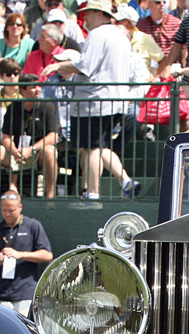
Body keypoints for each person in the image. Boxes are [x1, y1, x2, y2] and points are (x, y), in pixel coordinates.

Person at [43, 0, 140, 200]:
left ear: (98, 14)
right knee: (99, 145)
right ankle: (125, 181)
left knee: (92, 147)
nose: (84, 17)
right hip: (113, 101)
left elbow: (86, 66)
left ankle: (93, 194)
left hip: (96, 101)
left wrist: (58, 66)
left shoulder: (98, 34)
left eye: (88, 13)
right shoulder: (120, 35)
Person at [0, 190, 54, 316]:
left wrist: (20, 254)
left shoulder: (33, 226)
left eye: (11, 210)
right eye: (4, 210)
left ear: (20, 207)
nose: (7, 214)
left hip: (24, 296)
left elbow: (47, 255)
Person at [0, 75, 58, 198]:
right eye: (33, 87)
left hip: (37, 153)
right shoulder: (13, 108)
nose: (38, 90)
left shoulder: (48, 106)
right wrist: (14, 151)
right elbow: (6, 136)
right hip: (16, 153)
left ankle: (50, 196)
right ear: (23, 91)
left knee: (50, 151)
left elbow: (54, 136)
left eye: (39, 86)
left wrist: (31, 149)